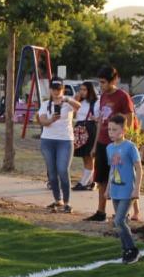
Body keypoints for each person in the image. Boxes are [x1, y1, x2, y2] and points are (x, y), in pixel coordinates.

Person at [86, 66, 135, 223]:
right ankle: (101, 212)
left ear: (113, 80)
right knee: (101, 179)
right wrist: (95, 145)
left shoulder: (123, 96)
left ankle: (122, 214)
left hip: (117, 145)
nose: (101, 85)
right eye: (100, 82)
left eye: (103, 82)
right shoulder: (103, 96)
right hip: (102, 142)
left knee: (119, 178)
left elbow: (130, 120)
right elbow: (101, 121)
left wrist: (125, 143)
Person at [103, 114, 143, 264]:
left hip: (127, 191)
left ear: (123, 130)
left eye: (114, 130)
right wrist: (107, 189)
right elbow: (112, 170)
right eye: (109, 129)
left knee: (118, 220)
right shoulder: (109, 148)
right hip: (115, 190)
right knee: (121, 222)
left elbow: (139, 169)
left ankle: (132, 249)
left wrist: (136, 189)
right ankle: (126, 249)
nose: (111, 132)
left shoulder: (130, 147)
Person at [38, 80, 80, 212]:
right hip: (48, 140)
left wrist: (67, 99)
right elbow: (42, 121)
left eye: (59, 89)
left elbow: (79, 107)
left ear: (63, 89)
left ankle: (67, 202)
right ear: (50, 89)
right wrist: (52, 119)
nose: (56, 92)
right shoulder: (45, 104)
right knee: (52, 173)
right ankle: (58, 200)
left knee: (63, 170)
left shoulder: (68, 103)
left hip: (65, 140)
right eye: (54, 89)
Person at [72, 81, 100, 191]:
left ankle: (83, 183)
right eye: (81, 89)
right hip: (79, 129)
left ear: (90, 90)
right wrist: (75, 100)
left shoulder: (96, 102)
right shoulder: (80, 102)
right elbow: (73, 114)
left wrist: (95, 118)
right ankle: (91, 182)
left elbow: (101, 118)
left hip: (90, 129)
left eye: (84, 90)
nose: (82, 92)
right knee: (85, 157)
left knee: (89, 157)